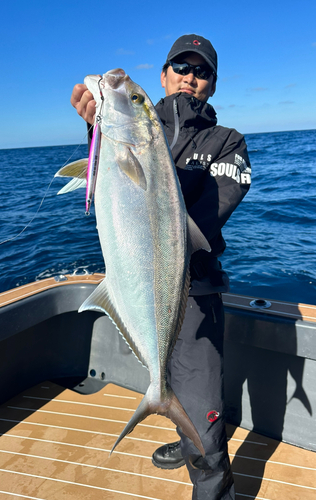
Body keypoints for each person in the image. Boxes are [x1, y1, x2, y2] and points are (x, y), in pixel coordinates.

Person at [71, 34, 251, 500]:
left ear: (212, 83)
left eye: (202, 71)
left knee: (205, 420)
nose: (191, 77)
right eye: (181, 66)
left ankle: (208, 473)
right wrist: (99, 132)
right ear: (165, 74)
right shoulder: (137, 128)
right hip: (139, 286)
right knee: (175, 388)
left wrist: (131, 140)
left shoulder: (227, 143)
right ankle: (180, 428)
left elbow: (204, 218)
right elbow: (111, 191)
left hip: (194, 297)